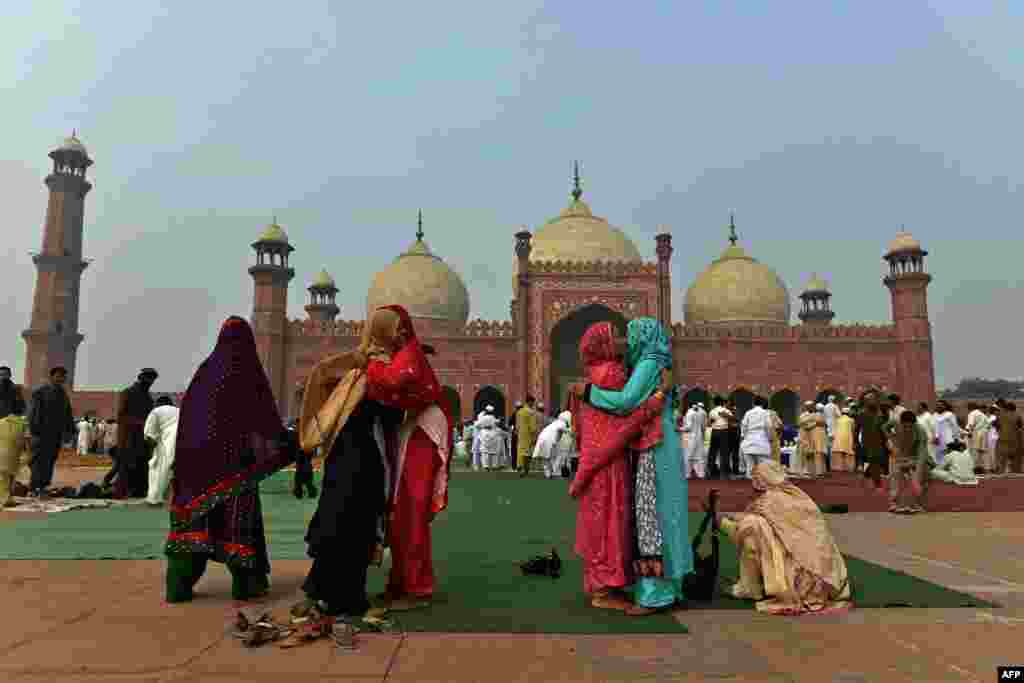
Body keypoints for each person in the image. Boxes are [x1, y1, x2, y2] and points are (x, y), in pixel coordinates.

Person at [165, 317, 299, 604]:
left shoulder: (204, 373)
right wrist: (291, 443)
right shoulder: (246, 373)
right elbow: (265, 420)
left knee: (193, 524)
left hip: (193, 468)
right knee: (238, 525)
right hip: (233, 467)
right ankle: (247, 585)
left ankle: (178, 585)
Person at [577, 318, 692, 616]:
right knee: (666, 515)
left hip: (654, 445)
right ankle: (671, 587)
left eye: (630, 336)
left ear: (643, 336)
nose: (627, 343)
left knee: (650, 517)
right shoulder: (658, 363)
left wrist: (588, 393)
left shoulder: (649, 362)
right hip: (661, 442)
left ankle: (654, 595)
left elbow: (626, 401)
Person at [364, 304, 453, 612]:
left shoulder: (409, 355)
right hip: (413, 428)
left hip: (424, 430)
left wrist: (369, 365)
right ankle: (400, 581)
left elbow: (392, 382)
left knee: (412, 510)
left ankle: (417, 587)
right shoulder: (406, 353)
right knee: (401, 510)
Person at [719, 461, 851, 615]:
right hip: (827, 581)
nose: (753, 485)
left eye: (756, 479)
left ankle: (751, 588)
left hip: (798, 583)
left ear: (763, 480)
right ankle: (759, 585)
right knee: (763, 529)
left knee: (752, 527)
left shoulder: (768, 501)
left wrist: (721, 522)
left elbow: (741, 526)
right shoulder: (799, 496)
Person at [27, 366, 74, 497]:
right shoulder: (40, 392)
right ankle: (34, 487)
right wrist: (34, 431)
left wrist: (69, 431)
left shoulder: (63, 393)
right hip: (41, 433)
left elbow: (67, 414)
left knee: (50, 460)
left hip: (55, 433)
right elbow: (34, 413)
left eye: (63, 377)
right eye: (59, 376)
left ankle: (43, 486)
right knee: (38, 460)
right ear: (52, 376)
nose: (61, 379)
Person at [114, 369, 158, 498]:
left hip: (142, 437)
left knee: (142, 464)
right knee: (126, 464)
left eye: (152, 379)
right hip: (128, 435)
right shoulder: (128, 392)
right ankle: (121, 492)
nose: (150, 381)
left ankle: (138, 491)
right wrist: (138, 423)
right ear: (141, 378)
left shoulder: (148, 397)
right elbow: (121, 415)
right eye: (148, 378)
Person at [889, 410, 932, 514]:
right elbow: (884, 427)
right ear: (901, 423)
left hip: (917, 458)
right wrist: (890, 437)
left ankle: (917, 504)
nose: (907, 428)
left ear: (914, 424)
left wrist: (918, 473)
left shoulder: (920, 430)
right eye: (905, 426)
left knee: (921, 479)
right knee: (895, 476)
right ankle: (894, 503)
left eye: (910, 426)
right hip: (901, 458)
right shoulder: (895, 422)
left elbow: (922, 453)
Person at [144, 395, 179, 505]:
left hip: (168, 441)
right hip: (185, 441)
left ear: (157, 404)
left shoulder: (156, 411)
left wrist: (152, 453)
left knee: (157, 469)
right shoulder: (180, 410)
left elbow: (149, 435)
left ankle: (154, 499)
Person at [856, 393, 889, 493]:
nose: (872, 402)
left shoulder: (881, 413)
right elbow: (856, 429)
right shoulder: (861, 414)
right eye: (869, 400)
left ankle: (866, 475)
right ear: (865, 402)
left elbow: (886, 427)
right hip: (868, 442)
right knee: (875, 463)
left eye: (873, 399)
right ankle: (877, 484)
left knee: (879, 463)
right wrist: (855, 442)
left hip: (881, 441)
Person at [0, 407, 30, 507]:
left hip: (2, 452)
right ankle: (6, 499)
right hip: (13, 454)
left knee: (3, 477)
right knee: (9, 477)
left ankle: (6, 497)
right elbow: (27, 440)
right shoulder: (23, 423)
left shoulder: (1, 422)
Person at [532, 411, 571, 479]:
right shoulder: (562, 423)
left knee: (546, 458)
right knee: (555, 456)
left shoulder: (555, 422)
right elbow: (560, 429)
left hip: (542, 438)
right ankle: (556, 473)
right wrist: (569, 431)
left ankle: (548, 474)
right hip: (548, 440)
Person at [798, 402, 827, 477]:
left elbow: (823, 423)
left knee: (819, 453)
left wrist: (814, 423)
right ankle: (807, 471)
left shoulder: (818, 415)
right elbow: (803, 424)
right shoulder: (803, 415)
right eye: (809, 406)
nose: (811, 407)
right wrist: (814, 424)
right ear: (806, 407)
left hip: (818, 437)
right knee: (807, 454)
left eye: (812, 406)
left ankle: (819, 471)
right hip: (806, 437)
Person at [707, 397, 733, 479]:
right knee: (724, 452)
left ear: (714, 403)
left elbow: (709, 422)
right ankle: (723, 473)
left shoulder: (712, 411)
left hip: (714, 432)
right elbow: (733, 419)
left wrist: (715, 420)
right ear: (722, 403)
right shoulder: (726, 410)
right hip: (724, 432)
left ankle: (710, 471)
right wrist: (726, 415)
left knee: (712, 452)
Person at [473, 405, 504, 471]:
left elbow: (476, 425)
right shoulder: (493, 418)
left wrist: (481, 426)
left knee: (484, 451)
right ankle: (494, 465)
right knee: (494, 451)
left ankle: (486, 466)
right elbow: (498, 422)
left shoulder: (483, 418)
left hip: (484, 434)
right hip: (493, 434)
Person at [516, 396, 541, 477]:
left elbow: (517, 425)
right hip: (528, 435)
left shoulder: (520, 411)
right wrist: (535, 435)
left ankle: (520, 467)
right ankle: (525, 469)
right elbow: (533, 426)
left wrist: (518, 431)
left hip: (521, 434)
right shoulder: (531, 412)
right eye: (533, 402)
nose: (533, 404)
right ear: (530, 402)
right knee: (527, 453)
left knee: (521, 452)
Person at [995, 402, 1022, 474]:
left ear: (1006, 408)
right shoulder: (1017, 416)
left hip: (1002, 439)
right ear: (1014, 409)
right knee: (1015, 459)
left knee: (1002, 459)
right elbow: (1020, 428)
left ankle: (1001, 472)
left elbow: (996, 426)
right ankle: (1015, 473)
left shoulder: (1000, 416)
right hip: (1014, 440)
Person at [681, 401, 707, 479]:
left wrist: (679, 429)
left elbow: (688, 427)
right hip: (699, 437)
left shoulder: (689, 413)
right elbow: (703, 426)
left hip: (690, 437)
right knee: (699, 456)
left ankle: (688, 474)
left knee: (688, 456)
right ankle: (701, 474)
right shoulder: (701, 413)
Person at [966, 402, 991, 472]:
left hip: (976, 433)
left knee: (975, 451)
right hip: (984, 434)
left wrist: (970, 432)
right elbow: (989, 426)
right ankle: (985, 468)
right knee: (983, 452)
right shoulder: (983, 415)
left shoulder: (972, 413)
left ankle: (974, 468)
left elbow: (971, 424)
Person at [831, 407, 856, 472]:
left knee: (839, 452)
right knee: (847, 452)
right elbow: (853, 430)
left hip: (838, 437)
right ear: (848, 413)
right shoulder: (851, 420)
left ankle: (838, 467)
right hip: (847, 437)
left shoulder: (838, 420)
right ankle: (848, 467)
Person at [916, 402, 938, 467]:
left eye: (919, 406)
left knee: (931, 455)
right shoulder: (917, 417)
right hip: (920, 440)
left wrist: (936, 437)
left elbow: (934, 427)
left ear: (923, 408)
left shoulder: (928, 416)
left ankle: (935, 468)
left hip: (929, 440)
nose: (917, 408)